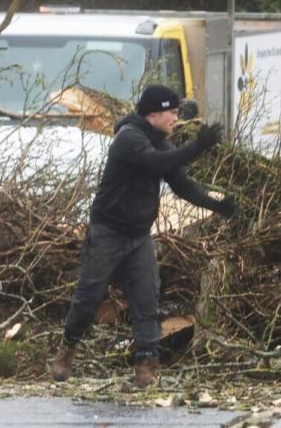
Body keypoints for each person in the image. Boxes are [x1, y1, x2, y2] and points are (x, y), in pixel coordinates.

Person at [51, 85, 236, 388]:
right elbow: (156, 164)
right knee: (88, 298)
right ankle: (66, 350)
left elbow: (181, 184)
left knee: (146, 300)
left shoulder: (158, 143)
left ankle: (146, 365)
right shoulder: (129, 139)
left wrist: (217, 205)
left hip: (138, 236)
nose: (176, 118)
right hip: (108, 233)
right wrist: (197, 147)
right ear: (153, 112)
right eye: (172, 112)